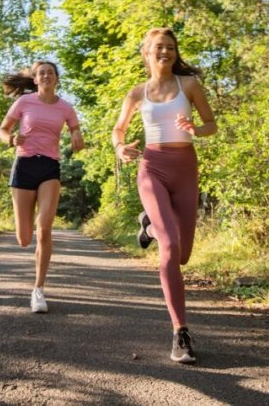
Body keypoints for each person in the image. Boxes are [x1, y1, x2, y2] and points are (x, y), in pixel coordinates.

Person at [111, 27, 217, 364]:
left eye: (171, 47)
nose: (165, 52)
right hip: (152, 167)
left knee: (182, 256)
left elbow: (211, 124)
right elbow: (119, 129)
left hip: (186, 169)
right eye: (159, 47)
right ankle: (180, 331)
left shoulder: (189, 86)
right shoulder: (137, 92)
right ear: (146, 52)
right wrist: (120, 147)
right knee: (170, 248)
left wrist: (196, 129)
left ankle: (150, 227)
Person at [0, 60, 84, 313]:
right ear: (35, 80)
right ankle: (29, 245)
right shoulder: (24, 102)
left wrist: (77, 136)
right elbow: (3, 130)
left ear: (57, 78)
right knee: (25, 238)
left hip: (49, 167)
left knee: (44, 227)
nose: (46, 76)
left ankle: (38, 290)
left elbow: (75, 129)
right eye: (41, 73)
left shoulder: (65, 107)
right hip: (23, 165)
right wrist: (12, 139)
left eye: (50, 73)